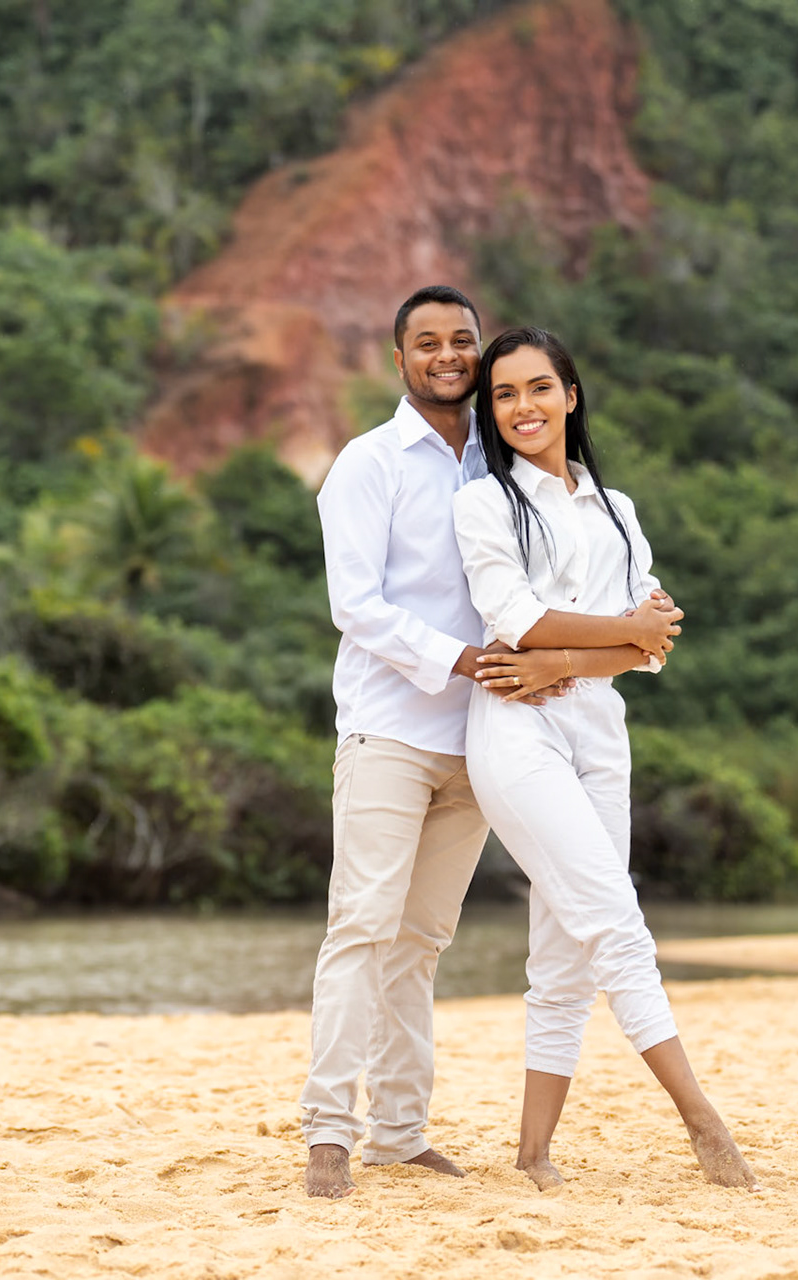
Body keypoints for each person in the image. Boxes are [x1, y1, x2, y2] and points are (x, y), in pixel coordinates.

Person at [453, 326, 757, 1192]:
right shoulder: (484, 504)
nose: (523, 408)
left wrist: (570, 659)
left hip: (598, 730)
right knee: (616, 924)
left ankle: (533, 1154)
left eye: (539, 388)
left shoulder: (617, 511)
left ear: (571, 395)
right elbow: (515, 619)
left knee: (566, 953)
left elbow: (654, 646)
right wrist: (617, 632)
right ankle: (704, 1125)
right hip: (515, 731)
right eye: (504, 395)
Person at [299, 285, 510, 1199]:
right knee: (361, 926)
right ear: (400, 359)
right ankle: (327, 1133)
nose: (448, 355)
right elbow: (356, 605)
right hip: (388, 729)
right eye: (428, 343)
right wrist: (460, 659)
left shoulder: (502, 469)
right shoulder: (368, 462)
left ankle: (399, 1132)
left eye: (462, 340)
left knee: (420, 942)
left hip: (484, 742)